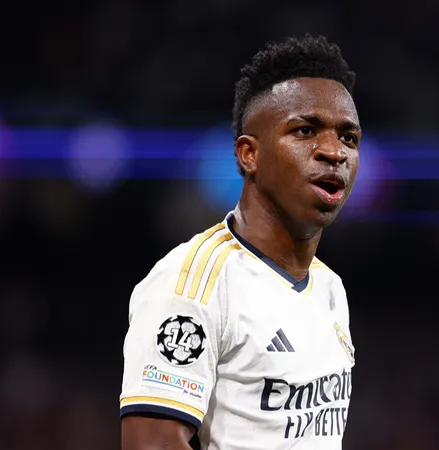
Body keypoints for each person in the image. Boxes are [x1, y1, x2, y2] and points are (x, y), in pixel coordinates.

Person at [120, 35, 361, 450]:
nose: (333, 152)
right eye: (305, 131)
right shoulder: (192, 283)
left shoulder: (330, 288)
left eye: (348, 138)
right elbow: (151, 445)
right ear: (249, 154)